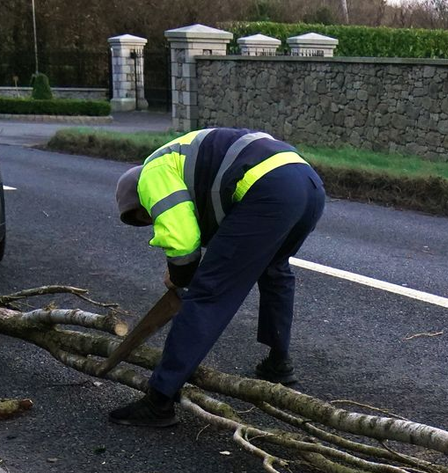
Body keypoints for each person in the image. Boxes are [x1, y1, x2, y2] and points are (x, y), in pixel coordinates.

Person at [110, 127, 326, 427]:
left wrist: (180, 275)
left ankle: (159, 400)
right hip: (308, 184)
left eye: (144, 216)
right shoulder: (184, 165)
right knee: (275, 270)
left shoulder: (152, 174)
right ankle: (278, 365)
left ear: (138, 198)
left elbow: (182, 241)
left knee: (209, 293)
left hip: (268, 188)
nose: (150, 220)